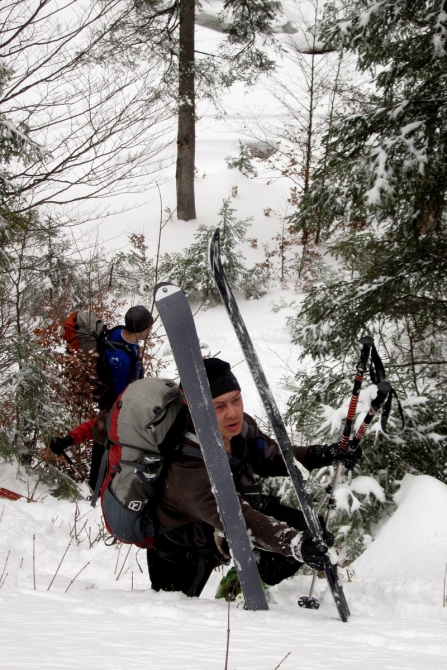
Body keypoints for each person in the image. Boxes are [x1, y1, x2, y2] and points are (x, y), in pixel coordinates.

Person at [148, 357, 362, 599]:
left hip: (228, 523)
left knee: (309, 531)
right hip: (185, 545)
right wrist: (294, 543)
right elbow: (238, 521)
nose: (232, 413)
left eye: (236, 400)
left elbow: (270, 456)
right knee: (175, 610)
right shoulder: (186, 465)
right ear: (198, 410)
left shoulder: (240, 429)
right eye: (219, 406)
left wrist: (321, 454)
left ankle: (239, 589)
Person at [50, 305, 154, 489]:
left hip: (116, 410)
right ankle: (97, 491)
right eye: (149, 327)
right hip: (117, 410)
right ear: (141, 329)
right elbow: (121, 401)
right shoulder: (119, 360)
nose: (150, 331)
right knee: (104, 438)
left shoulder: (121, 334)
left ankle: (97, 488)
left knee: (103, 430)